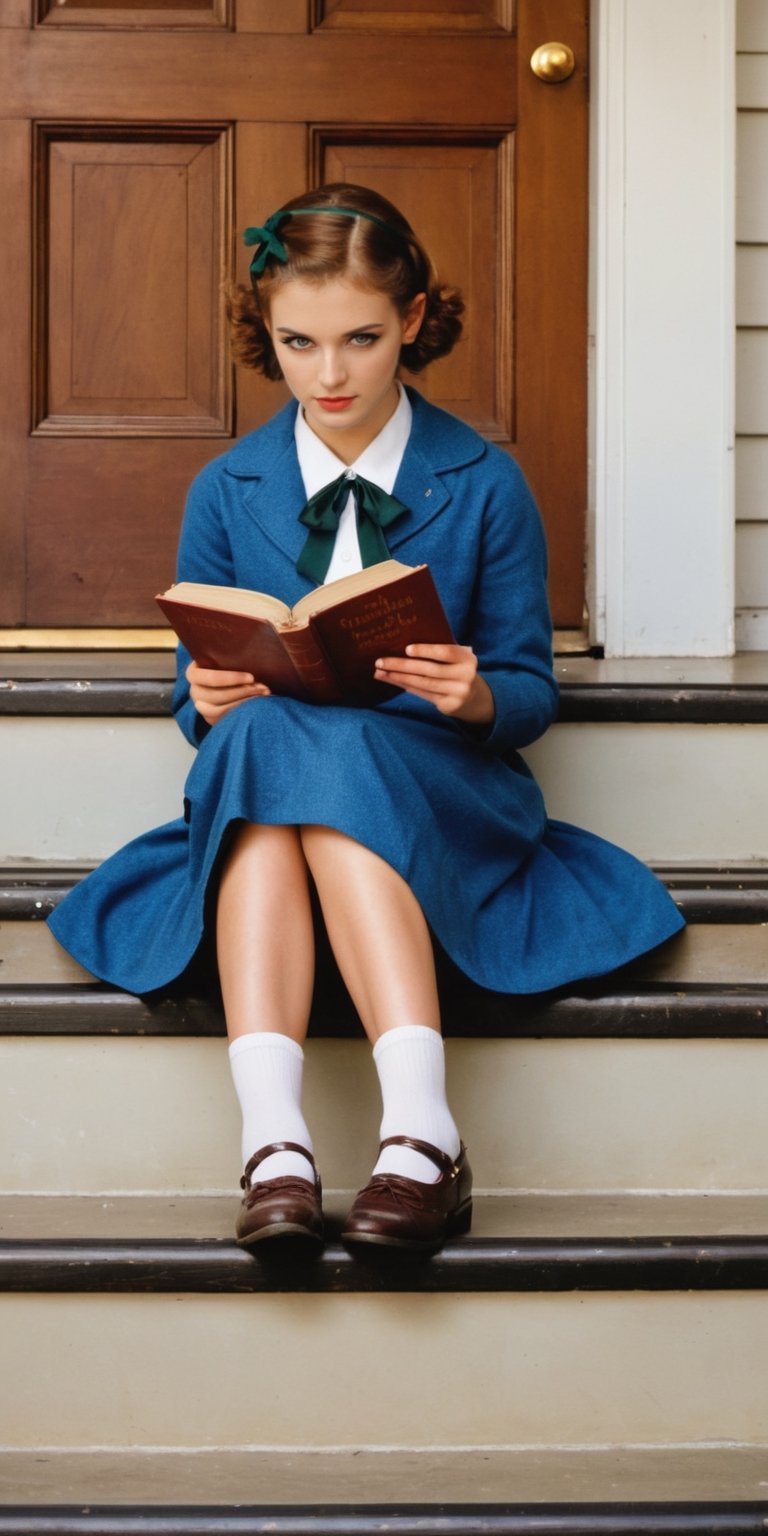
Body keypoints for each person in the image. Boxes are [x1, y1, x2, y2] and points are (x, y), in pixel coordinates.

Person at [49, 183, 685, 1257]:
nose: (330, 375)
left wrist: (473, 691)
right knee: (259, 739)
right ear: (268, 334)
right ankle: (290, 1142)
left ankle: (405, 1129)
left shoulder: (485, 485)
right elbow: (192, 691)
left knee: (314, 762)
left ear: (417, 321)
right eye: (298, 343)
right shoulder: (227, 485)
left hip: (440, 787)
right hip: (271, 777)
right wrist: (201, 699)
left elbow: (529, 689)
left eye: (361, 340)